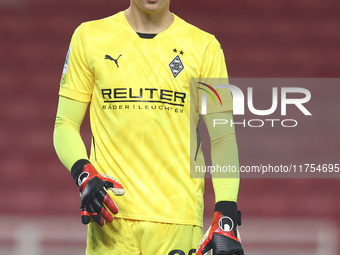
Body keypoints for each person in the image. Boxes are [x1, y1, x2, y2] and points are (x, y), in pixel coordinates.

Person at [53, 0, 244, 254]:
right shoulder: (89, 38)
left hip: (178, 222)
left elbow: (222, 137)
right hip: (112, 222)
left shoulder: (204, 47)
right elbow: (65, 124)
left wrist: (227, 213)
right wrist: (83, 172)